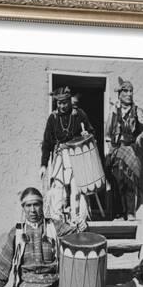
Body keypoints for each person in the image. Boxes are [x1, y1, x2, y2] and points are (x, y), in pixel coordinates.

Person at [40, 86, 95, 222]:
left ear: (70, 101)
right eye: (59, 103)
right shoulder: (52, 119)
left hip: (77, 155)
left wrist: (87, 134)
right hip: (60, 155)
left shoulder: (79, 114)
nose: (62, 106)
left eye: (65, 102)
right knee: (58, 187)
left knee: (77, 187)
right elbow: (47, 143)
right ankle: (57, 220)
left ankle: (78, 219)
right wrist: (43, 165)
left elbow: (92, 133)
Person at [105, 77, 143, 220]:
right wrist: (112, 149)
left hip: (131, 150)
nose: (129, 94)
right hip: (117, 149)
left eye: (131, 91)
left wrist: (141, 136)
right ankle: (119, 213)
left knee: (130, 181)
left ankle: (130, 213)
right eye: (126, 91)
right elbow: (107, 134)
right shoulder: (113, 111)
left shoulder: (137, 111)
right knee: (116, 181)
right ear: (120, 94)